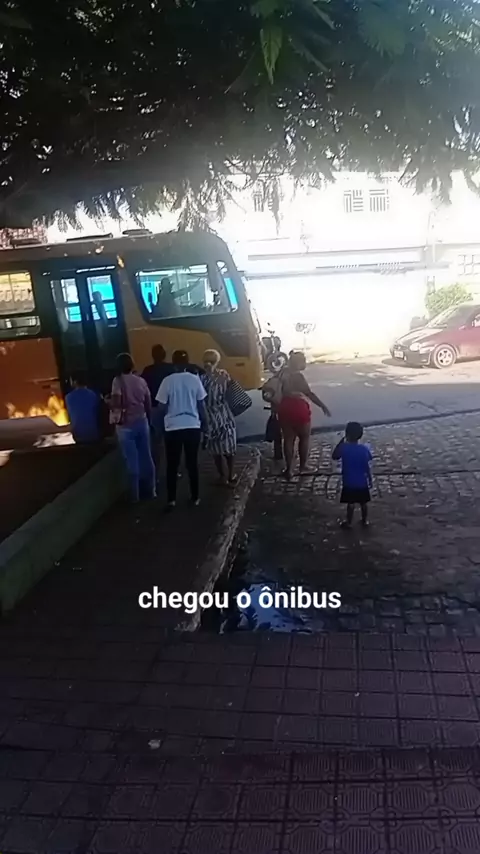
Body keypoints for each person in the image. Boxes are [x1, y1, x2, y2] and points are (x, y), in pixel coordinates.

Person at [156, 349, 208, 510]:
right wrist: (205, 425)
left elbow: (161, 407)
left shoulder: (167, 381)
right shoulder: (195, 380)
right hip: (192, 426)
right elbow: (201, 405)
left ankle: (171, 500)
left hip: (172, 428)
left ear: (174, 364)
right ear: (187, 363)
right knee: (192, 463)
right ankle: (195, 497)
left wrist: (160, 425)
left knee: (172, 464)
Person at [110, 353, 156, 503]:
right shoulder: (141, 381)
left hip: (125, 426)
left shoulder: (117, 381)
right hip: (142, 421)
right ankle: (152, 490)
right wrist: (148, 419)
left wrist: (108, 402)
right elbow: (148, 401)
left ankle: (135, 495)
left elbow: (116, 403)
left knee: (132, 460)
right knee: (146, 456)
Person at [277, 351, 331, 479]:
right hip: (298, 407)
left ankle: (289, 469)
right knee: (304, 437)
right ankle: (303, 466)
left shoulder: (282, 373)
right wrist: (322, 406)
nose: (305, 363)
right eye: (304, 361)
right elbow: (309, 393)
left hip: (284, 407)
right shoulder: (298, 376)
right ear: (298, 363)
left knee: (288, 439)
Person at [201, 349, 237, 485]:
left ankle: (222, 475)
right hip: (224, 414)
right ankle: (231, 474)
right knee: (229, 447)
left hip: (209, 416)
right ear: (217, 361)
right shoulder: (223, 375)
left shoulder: (201, 379)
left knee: (215, 449)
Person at [332, 421, 372, 529]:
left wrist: (341, 441)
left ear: (347, 434)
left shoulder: (344, 448)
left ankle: (349, 522)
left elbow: (334, 456)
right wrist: (369, 478)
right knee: (364, 503)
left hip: (349, 481)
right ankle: (365, 520)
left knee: (350, 503)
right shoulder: (364, 449)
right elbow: (366, 465)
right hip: (362, 481)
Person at [65, 371, 102, 444]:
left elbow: (70, 416)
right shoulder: (93, 395)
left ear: (74, 382)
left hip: (78, 435)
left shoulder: (68, 397)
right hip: (93, 434)